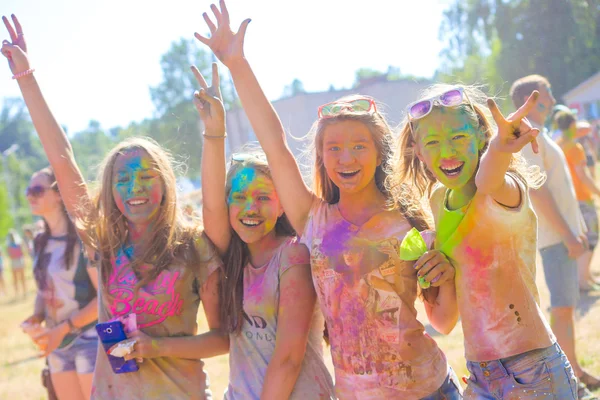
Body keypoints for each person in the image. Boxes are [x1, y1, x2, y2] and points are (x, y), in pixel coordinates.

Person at [196, 2, 462, 398]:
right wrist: (237, 64)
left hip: (430, 389)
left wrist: (447, 275)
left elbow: (444, 321)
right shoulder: (312, 218)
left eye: (358, 146)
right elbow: (275, 144)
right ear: (320, 157)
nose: (346, 158)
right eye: (333, 148)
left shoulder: (408, 223)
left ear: (379, 153)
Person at [2, 14, 223, 400]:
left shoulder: (195, 247)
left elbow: (223, 339)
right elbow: (63, 159)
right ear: (110, 189)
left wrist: (158, 347)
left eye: (145, 176)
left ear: (166, 184)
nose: (134, 188)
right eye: (122, 179)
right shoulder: (104, 244)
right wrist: (27, 78)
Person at [394, 84, 577, 399]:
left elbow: (487, 179)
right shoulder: (439, 201)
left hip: (532, 369)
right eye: (433, 142)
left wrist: (500, 148)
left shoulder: (504, 189)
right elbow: (444, 320)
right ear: (419, 151)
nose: (447, 152)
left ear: (481, 135)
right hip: (479, 374)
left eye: (459, 137)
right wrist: (436, 278)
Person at [191, 63, 335, 399]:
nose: (250, 208)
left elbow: (288, 359)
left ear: (283, 203)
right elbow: (211, 207)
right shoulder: (233, 255)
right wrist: (214, 133)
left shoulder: (293, 256)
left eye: (262, 197)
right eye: (238, 197)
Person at [510, 74, 600, 399]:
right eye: (546, 92)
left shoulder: (544, 135)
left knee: (568, 307)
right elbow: (539, 192)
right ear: (532, 98)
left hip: (566, 235)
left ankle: (574, 369)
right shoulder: (527, 136)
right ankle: (567, 381)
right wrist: (567, 234)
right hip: (555, 239)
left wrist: (578, 228)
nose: (552, 97)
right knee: (562, 308)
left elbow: (561, 190)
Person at [21, 167, 99, 400]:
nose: (29, 196)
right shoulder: (39, 240)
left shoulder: (83, 238)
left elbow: (103, 299)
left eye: (37, 190)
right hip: (57, 344)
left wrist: (62, 329)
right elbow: (44, 288)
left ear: (58, 194)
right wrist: (36, 318)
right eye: (28, 190)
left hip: (89, 339)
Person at [554, 111, 600, 291]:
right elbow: (583, 176)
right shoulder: (575, 147)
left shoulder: (558, 146)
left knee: (580, 239)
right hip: (582, 199)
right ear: (573, 125)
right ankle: (583, 280)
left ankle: (586, 277)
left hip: (567, 202)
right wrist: (598, 192)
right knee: (591, 239)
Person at [6, 229, 26, 298]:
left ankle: (22, 291)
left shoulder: (10, 245)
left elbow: (10, 255)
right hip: (18, 261)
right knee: (19, 278)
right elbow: (22, 253)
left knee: (18, 278)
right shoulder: (18, 244)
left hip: (16, 261)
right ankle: (21, 291)